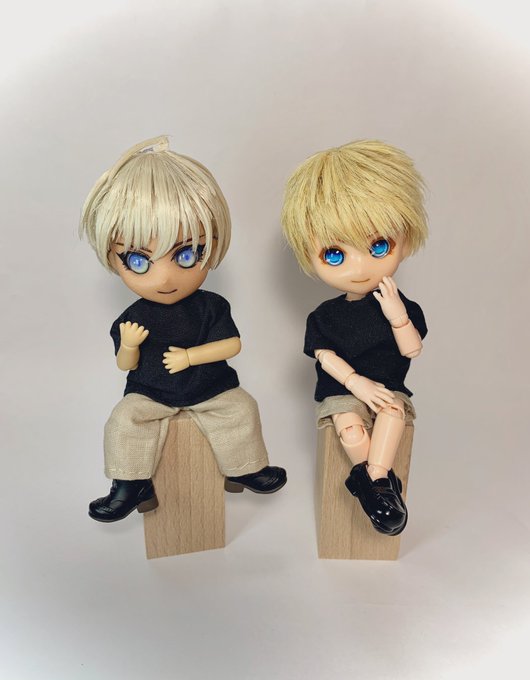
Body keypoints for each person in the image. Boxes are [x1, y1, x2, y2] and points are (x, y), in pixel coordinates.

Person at [80, 136, 286, 523]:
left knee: (241, 409)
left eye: (186, 254)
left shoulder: (211, 306)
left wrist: (192, 356)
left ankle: (245, 467)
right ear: (113, 256)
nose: (165, 277)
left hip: (211, 388)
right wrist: (129, 344)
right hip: (151, 392)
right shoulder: (131, 317)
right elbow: (126, 365)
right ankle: (129, 483)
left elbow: (231, 345)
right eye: (139, 260)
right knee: (125, 421)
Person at [281, 140, 427, 535]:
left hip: (389, 388)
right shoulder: (324, 315)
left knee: (393, 414)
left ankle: (372, 482)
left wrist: (397, 315)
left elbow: (412, 348)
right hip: (342, 388)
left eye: (379, 246)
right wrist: (356, 383)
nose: (359, 268)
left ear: (405, 239)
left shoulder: (403, 306)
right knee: (349, 429)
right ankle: (383, 488)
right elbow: (324, 356)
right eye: (335, 254)